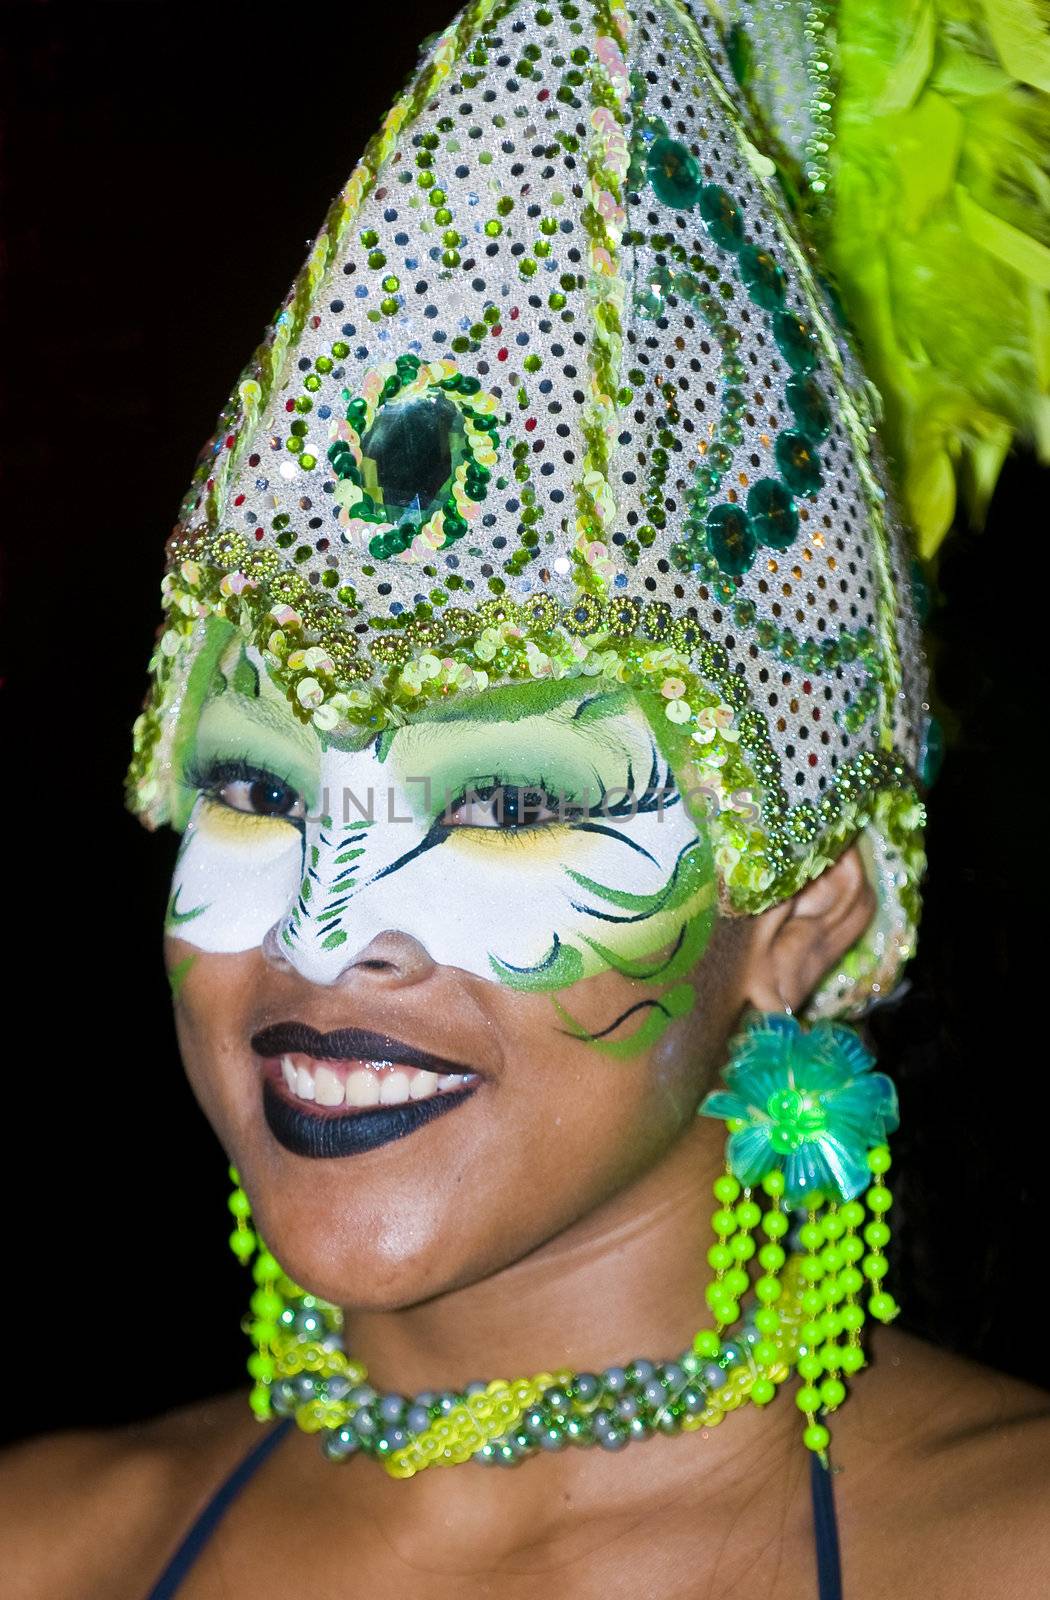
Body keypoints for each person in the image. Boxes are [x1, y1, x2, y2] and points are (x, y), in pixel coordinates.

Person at [5, 1, 1049, 1595]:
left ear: (809, 908)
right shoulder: (47, 1545)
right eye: (249, 789)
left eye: (502, 806)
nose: (327, 931)